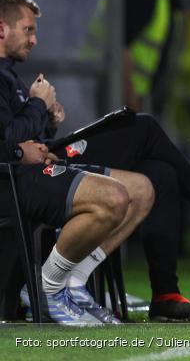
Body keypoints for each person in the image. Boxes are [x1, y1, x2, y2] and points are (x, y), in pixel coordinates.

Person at [0, 0, 190, 321]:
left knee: (158, 173)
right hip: (31, 175)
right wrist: (38, 105)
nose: (34, 39)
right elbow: (11, 140)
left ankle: (165, 294)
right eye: (28, 30)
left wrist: (47, 118)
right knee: (144, 128)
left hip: (43, 162)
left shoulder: (11, 76)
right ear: (2, 29)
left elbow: (24, 137)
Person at [0, 137, 153, 325]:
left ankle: (74, 280)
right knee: (113, 197)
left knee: (141, 190)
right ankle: (48, 286)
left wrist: (43, 145)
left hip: (31, 164)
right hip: (9, 172)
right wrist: (18, 151)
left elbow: (21, 126)